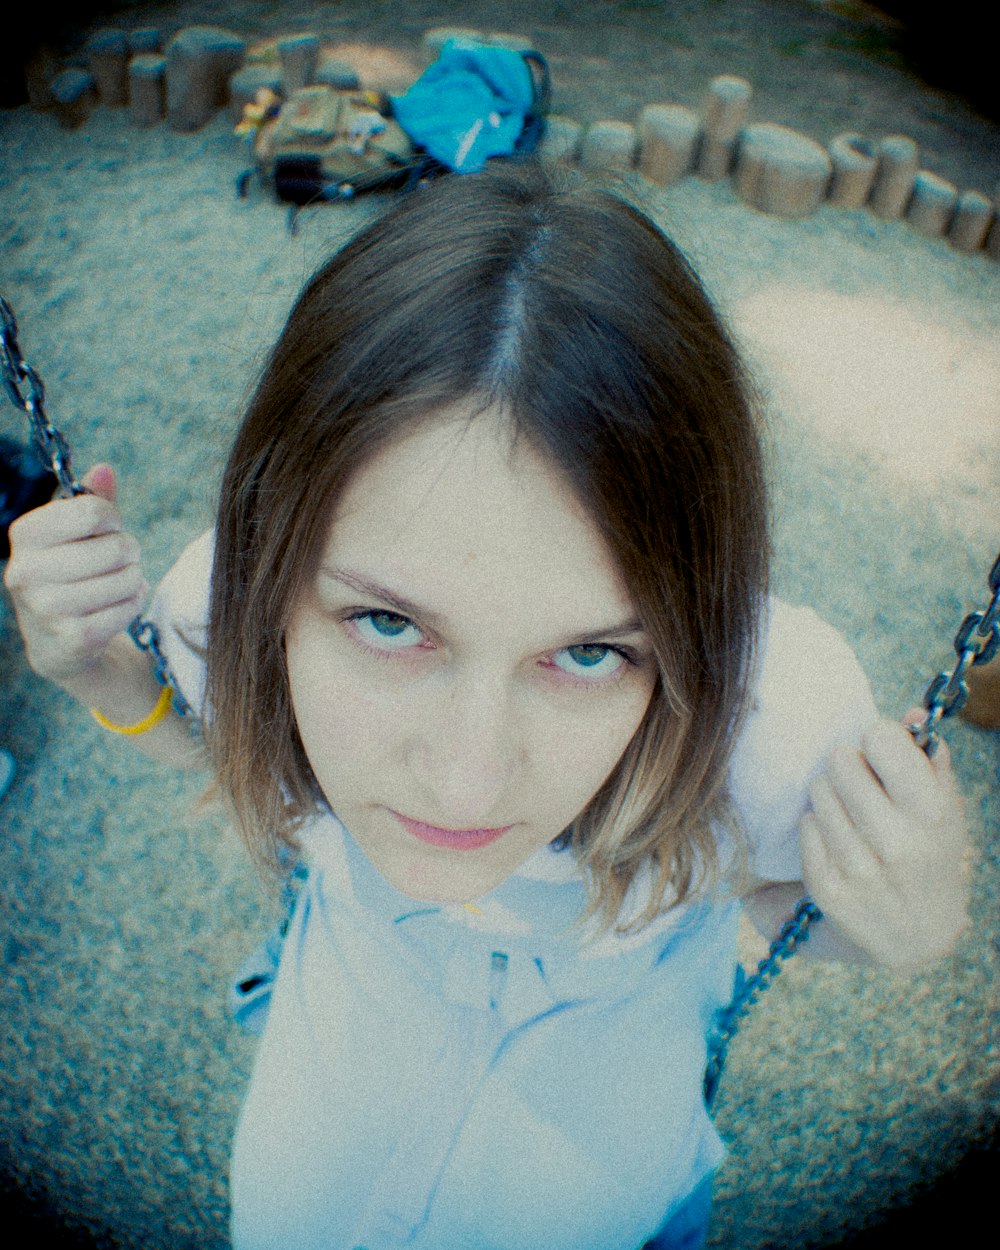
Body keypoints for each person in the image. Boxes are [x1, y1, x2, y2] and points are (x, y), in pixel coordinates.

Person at [2, 165, 969, 1250]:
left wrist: (904, 923)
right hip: (320, 1138)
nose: (466, 782)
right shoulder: (227, 609)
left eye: (591, 652)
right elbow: (221, 735)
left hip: (612, 1180)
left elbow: (790, 895)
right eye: (386, 624)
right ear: (278, 568)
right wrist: (110, 680)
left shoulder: (770, 724)